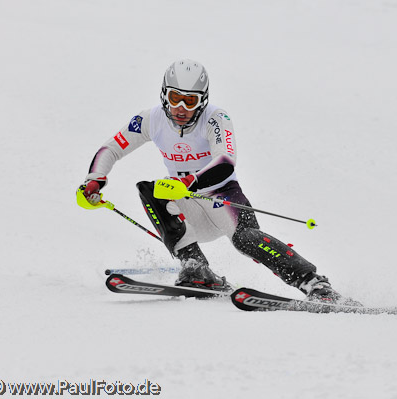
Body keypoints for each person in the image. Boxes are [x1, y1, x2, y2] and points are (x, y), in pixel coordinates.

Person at [80, 59, 360, 305]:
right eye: (175, 97)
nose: (180, 107)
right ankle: (195, 267)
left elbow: (225, 162)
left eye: (189, 101)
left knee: (246, 239)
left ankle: (315, 284)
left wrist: (190, 181)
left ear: (202, 100)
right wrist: (94, 181)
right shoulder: (149, 119)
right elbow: (111, 149)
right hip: (187, 204)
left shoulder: (216, 118)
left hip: (222, 197)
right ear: (164, 94)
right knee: (150, 190)